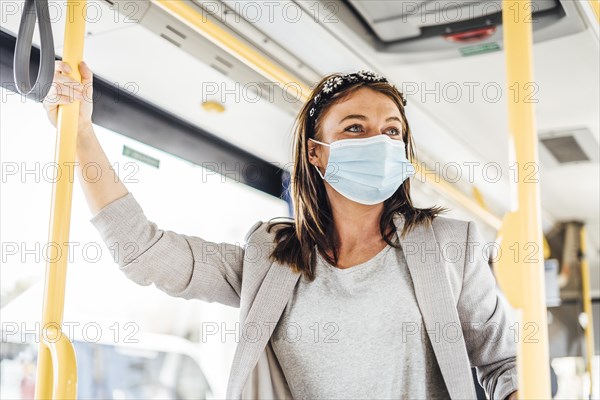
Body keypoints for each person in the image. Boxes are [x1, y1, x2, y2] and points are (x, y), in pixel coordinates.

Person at [44, 61, 519, 400]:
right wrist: (82, 134)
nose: (380, 141)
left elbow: (505, 365)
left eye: (392, 131)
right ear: (316, 152)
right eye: (355, 128)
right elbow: (144, 252)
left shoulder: (451, 247)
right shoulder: (269, 255)